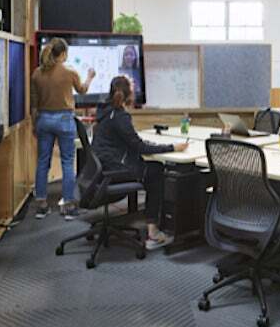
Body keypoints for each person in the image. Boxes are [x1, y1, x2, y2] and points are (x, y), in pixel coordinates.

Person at [91, 75, 188, 250]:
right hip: (116, 169)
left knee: (151, 167)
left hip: (105, 167)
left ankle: (153, 222)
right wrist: (172, 147)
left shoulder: (104, 111)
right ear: (128, 94)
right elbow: (140, 148)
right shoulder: (120, 117)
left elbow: (130, 142)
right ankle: (153, 233)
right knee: (156, 171)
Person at [30, 38, 95, 220]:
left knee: (43, 162)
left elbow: (34, 104)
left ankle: (41, 205)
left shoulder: (37, 74)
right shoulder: (69, 72)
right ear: (64, 54)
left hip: (44, 119)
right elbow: (82, 90)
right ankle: (68, 205)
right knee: (67, 162)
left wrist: (35, 125)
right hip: (65, 120)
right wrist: (90, 77)